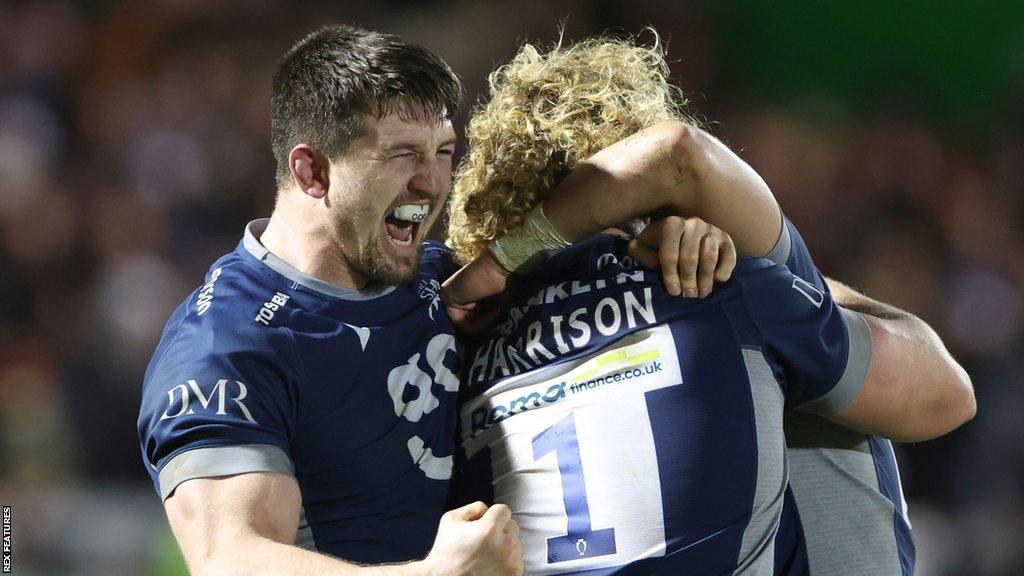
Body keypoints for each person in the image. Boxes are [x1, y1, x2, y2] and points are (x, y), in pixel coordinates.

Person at [442, 35, 974, 575]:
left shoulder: (457, 346)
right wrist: (779, 273)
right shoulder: (721, 286)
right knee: (814, 376)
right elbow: (948, 397)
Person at [136, 25, 522, 576]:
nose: (432, 183)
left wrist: (680, 227)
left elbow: (653, 164)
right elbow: (228, 559)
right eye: (402, 155)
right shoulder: (226, 346)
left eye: (443, 151)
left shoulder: (445, 274)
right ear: (311, 172)